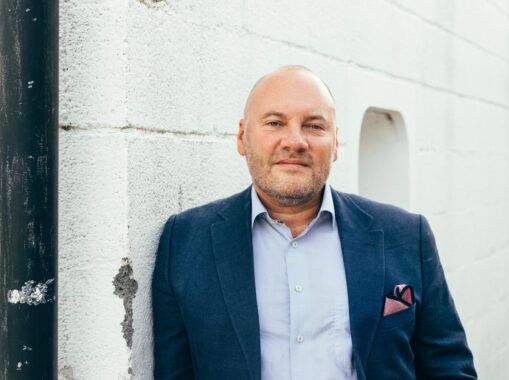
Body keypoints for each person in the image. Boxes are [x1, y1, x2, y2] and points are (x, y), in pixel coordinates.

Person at [152, 65, 477, 380]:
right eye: (275, 123)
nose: (295, 141)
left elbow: (448, 368)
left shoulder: (406, 236)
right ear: (242, 138)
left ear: (335, 144)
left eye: (314, 126)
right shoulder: (185, 241)